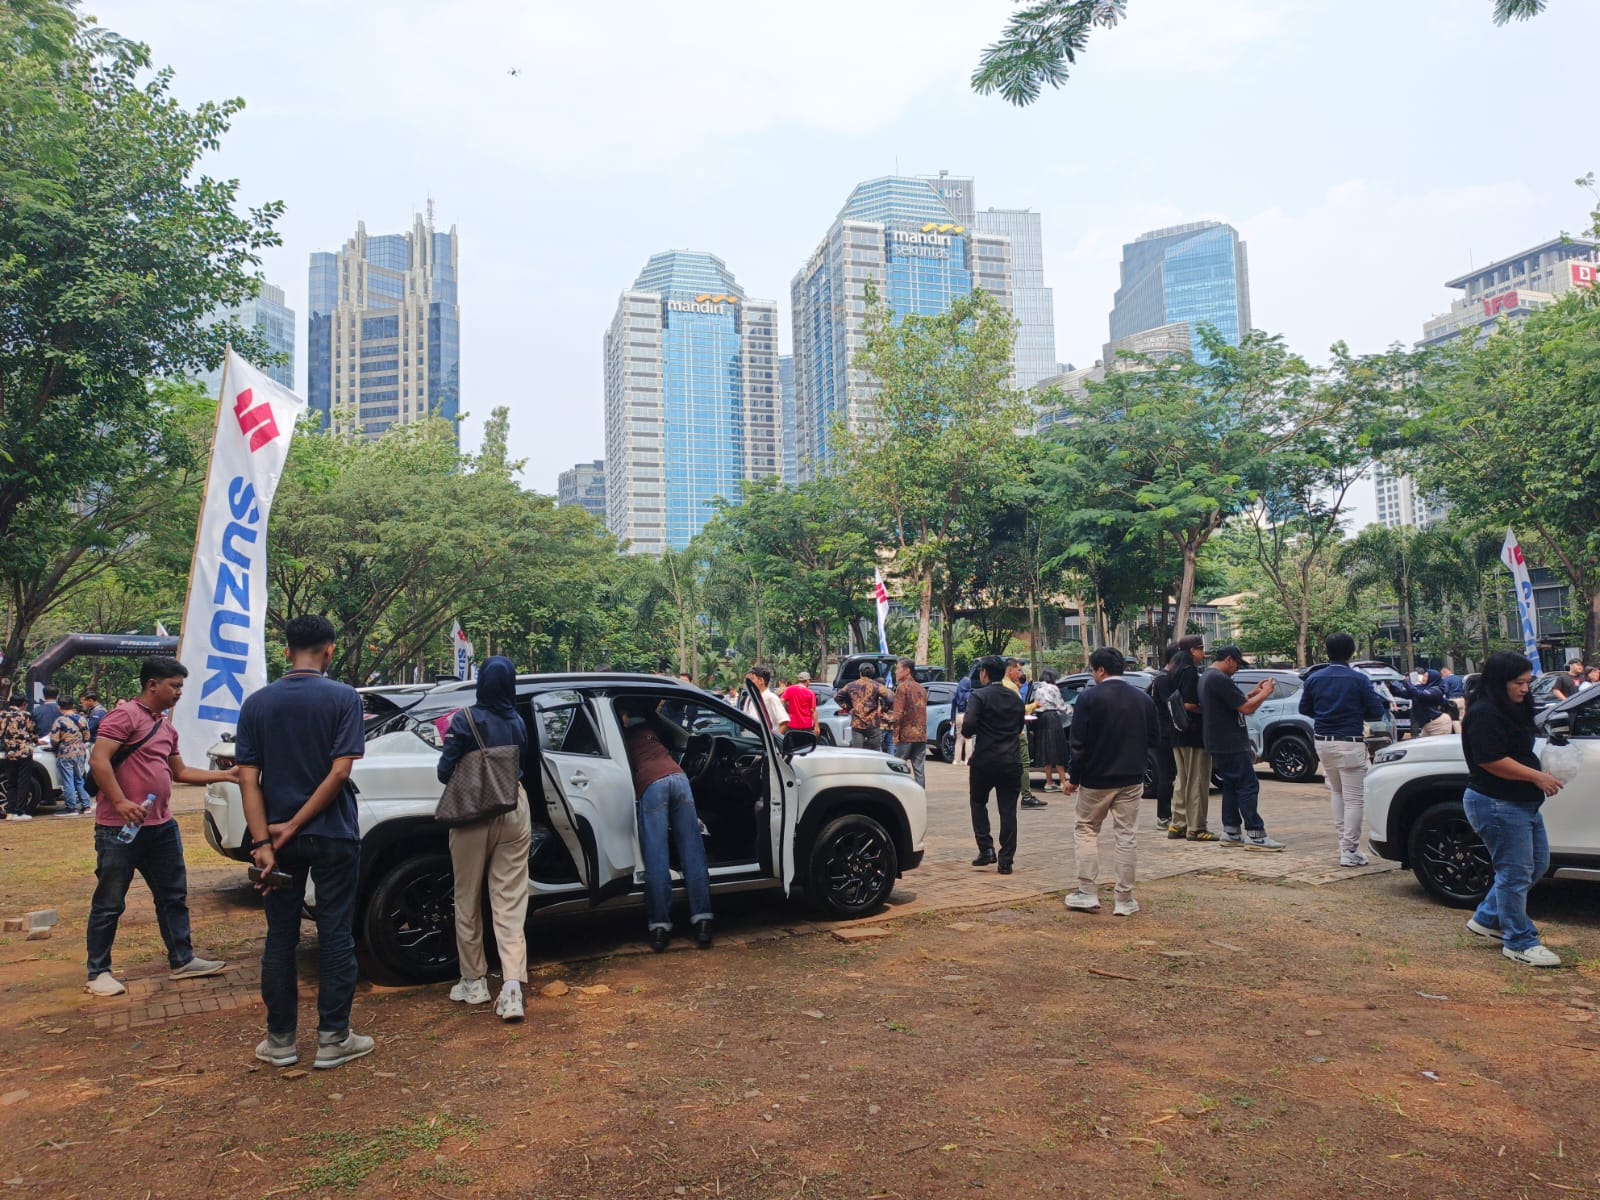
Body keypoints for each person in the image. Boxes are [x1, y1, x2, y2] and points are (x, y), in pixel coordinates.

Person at [237, 617, 373, 1067]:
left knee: (280, 937)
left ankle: (280, 1042)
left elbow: (248, 779)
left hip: (276, 842)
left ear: (286, 650)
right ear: (330, 651)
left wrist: (264, 840)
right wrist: (296, 824)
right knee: (335, 933)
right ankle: (334, 1039)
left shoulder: (257, 704)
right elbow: (340, 772)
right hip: (333, 834)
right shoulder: (343, 698)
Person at [86, 656, 235, 998]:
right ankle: (98, 972)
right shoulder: (124, 716)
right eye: (174, 686)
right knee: (109, 902)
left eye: (181, 687)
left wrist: (226, 775)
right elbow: (99, 759)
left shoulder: (167, 728)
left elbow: (180, 773)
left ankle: (182, 959)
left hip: (162, 827)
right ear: (152, 685)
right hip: (118, 829)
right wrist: (122, 802)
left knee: (173, 896)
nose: (179, 693)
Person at [436, 655, 536, 1023]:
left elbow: (444, 772)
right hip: (514, 807)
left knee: (467, 899)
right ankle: (512, 989)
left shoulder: (464, 720)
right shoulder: (518, 721)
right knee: (509, 902)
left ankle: (474, 982)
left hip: (472, 814)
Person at [1460, 651, 1566, 968]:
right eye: (1519, 683)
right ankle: (1519, 940)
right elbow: (1491, 760)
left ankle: (1488, 918)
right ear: (1498, 682)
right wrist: (1538, 776)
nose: (1525, 689)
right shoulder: (1483, 713)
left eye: (1528, 683)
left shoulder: (1512, 709)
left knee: (1536, 864)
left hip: (1522, 803)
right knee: (1514, 873)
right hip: (1496, 803)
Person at [1062, 648, 1160, 917]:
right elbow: (1154, 739)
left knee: (1086, 829)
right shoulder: (1142, 699)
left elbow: (1077, 744)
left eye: (1092, 670)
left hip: (1096, 778)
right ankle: (1124, 898)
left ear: (1100, 670)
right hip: (1132, 777)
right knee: (1126, 835)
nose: (1092, 675)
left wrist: (1073, 778)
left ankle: (1086, 892)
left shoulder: (1088, 698)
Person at [619, 701, 713, 952]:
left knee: (657, 856)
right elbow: (680, 738)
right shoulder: (653, 727)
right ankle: (703, 923)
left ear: (624, 716)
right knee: (692, 852)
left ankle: (660, 928)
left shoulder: (621, 737)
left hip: (652, 785)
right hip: (679, 778)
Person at [1299, 633, 1388, 867]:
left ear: (1327, 651)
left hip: (1323, 741)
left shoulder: (1314, 679)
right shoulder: (1358, 679)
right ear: (1351, 652)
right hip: (1350, 740)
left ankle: (1344, 846)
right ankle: (1349, 850)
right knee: (1354, 800)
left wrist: (1325, 714)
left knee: (1337, 793)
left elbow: (1304, 708)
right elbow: (1376, 711)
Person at [1199, 647, 1284, 849]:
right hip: (1230, 741)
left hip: (1218, 740)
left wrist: (1254, 693)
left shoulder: (1207, 677)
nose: (1237, 669)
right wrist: (1264, 694)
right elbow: (1246, 709)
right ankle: (1255, 832)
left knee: (1231, 785)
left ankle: (1231, 830)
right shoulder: (1219, 679)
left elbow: (1234, 702)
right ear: (1228, 660)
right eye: (1237, 663)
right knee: (1248, 785)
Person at [962, 656, 1025, 875]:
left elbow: (968, 725)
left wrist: (969, 732)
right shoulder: (1015, 698)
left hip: (985, 761)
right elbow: (1018, 727)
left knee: (978, 802)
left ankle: (986, 848)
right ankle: (1006, 860)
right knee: (1008, 810)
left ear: (984, 674)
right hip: (1011, 761)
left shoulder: (979, 696)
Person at [1164, 637, 1214, 841]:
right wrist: (1207, 710)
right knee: (1197, 780)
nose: (1203, 655)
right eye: (1202, 650)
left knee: (1182, 780)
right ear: (1193, 650)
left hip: (1177, 733)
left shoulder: (1173, 671)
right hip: (1193, 733)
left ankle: (1178, 823)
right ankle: (1196, 827)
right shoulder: (1190, 673)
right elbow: (1189, 704)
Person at [1004, 659, 1045, 809]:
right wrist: (1035, 705)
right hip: (1018, 731)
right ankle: (1026, 796)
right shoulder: (1012, 688)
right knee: (1024, 764)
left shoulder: (1003, 686)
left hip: (1008, 731)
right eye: (1019, 670)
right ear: (1010, 671)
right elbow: (1019, 709)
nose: (1021, 673)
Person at [1146, 649, 1178, 829]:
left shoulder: (1161, 679)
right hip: (1165, 734)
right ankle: (1164, 816)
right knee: (1166, 775)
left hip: (1165, 732)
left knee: (1170, 775)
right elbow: (1171, 706)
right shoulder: (1164, 680)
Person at [50, 696, 93, 815]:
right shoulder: (82, 719)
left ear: (59, 707)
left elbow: (54, 740)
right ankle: (86, 806)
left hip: (65, 753)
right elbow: (87, 736)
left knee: (68, 780)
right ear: (73, 706)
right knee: (79, 779)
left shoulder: (59, 721)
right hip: (80, 751)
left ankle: (71, 808)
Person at [836, 663, 892, 751]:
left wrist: (849, 708)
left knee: (858, 752)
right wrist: (884, 709)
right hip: (873, 723)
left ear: (860, 673)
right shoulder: (877, 686)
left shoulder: (850, 685)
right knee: (875, 752)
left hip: (857, 723)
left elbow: (837, 697)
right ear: (872, 673)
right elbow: (890, 699)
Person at [889, 659, 927, 787]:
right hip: (921, 735)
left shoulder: (902, 687)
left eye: (898, 668)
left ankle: (898, 796)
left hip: (906, 735)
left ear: (907, 671)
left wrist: (895, 735)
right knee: (919, 770)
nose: (895, 671)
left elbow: (898, 714)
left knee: (898, 767)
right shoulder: (921, 688)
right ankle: (920, 796)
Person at [1, 695, 38, 820]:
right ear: (23, 704)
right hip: (24, 752)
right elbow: (32, 731)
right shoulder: (26, 715)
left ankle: (10, 811)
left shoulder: (2, 715)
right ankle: (19, 811)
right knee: (23, 782)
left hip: (9, 753)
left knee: (11, 782)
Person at [1032, 669, 1069, 792]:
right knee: (1057, 749)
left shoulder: (1038, 689)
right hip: (1053, 718)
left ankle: (1049, 782)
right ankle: (1063, 782)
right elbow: (1061, 706)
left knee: (1046, 751)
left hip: (1041, 719)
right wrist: (1072, 711)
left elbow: (1036, 705)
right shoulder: (1053, 688)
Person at [1394, 669, 1453, 737]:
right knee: (1421, 745)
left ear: (1432, 678)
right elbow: (1404, 694)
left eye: (1426, 676)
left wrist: (1406, 682)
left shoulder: (1436, 690)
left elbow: (1420, 694)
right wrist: (1391, 687)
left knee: (1437, 746)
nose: (1423, 678)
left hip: (1438, 723)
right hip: (1427, 724)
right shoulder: (1422, 688)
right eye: (1423, 676)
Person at [739, 665, 790, 736]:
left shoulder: (771, 698)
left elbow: (784, 722)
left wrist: (774, 741)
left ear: (761, 681)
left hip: (765, 741)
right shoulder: (750, 698)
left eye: (752, 679)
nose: (749, 682)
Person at [951, 670, 976, 765]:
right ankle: (967, 759)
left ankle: (956, 760)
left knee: (959, 738)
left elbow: (953, 707)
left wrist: (952, 719)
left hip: (958, 716)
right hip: (966, 716)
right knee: (968, 738)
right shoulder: (969, 694)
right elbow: (970, 706)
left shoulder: (956, 694)